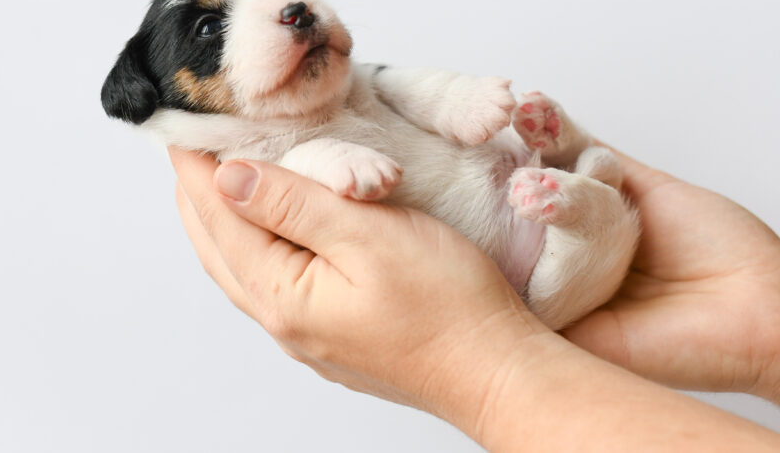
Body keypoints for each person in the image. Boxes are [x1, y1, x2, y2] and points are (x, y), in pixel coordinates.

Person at [170, 145, 780, 451]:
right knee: (578, 237)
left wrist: (478, 369)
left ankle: (591, 201)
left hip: (522, 239)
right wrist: (763, 321)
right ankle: (590, 200)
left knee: (578, 228)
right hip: (531, 249)